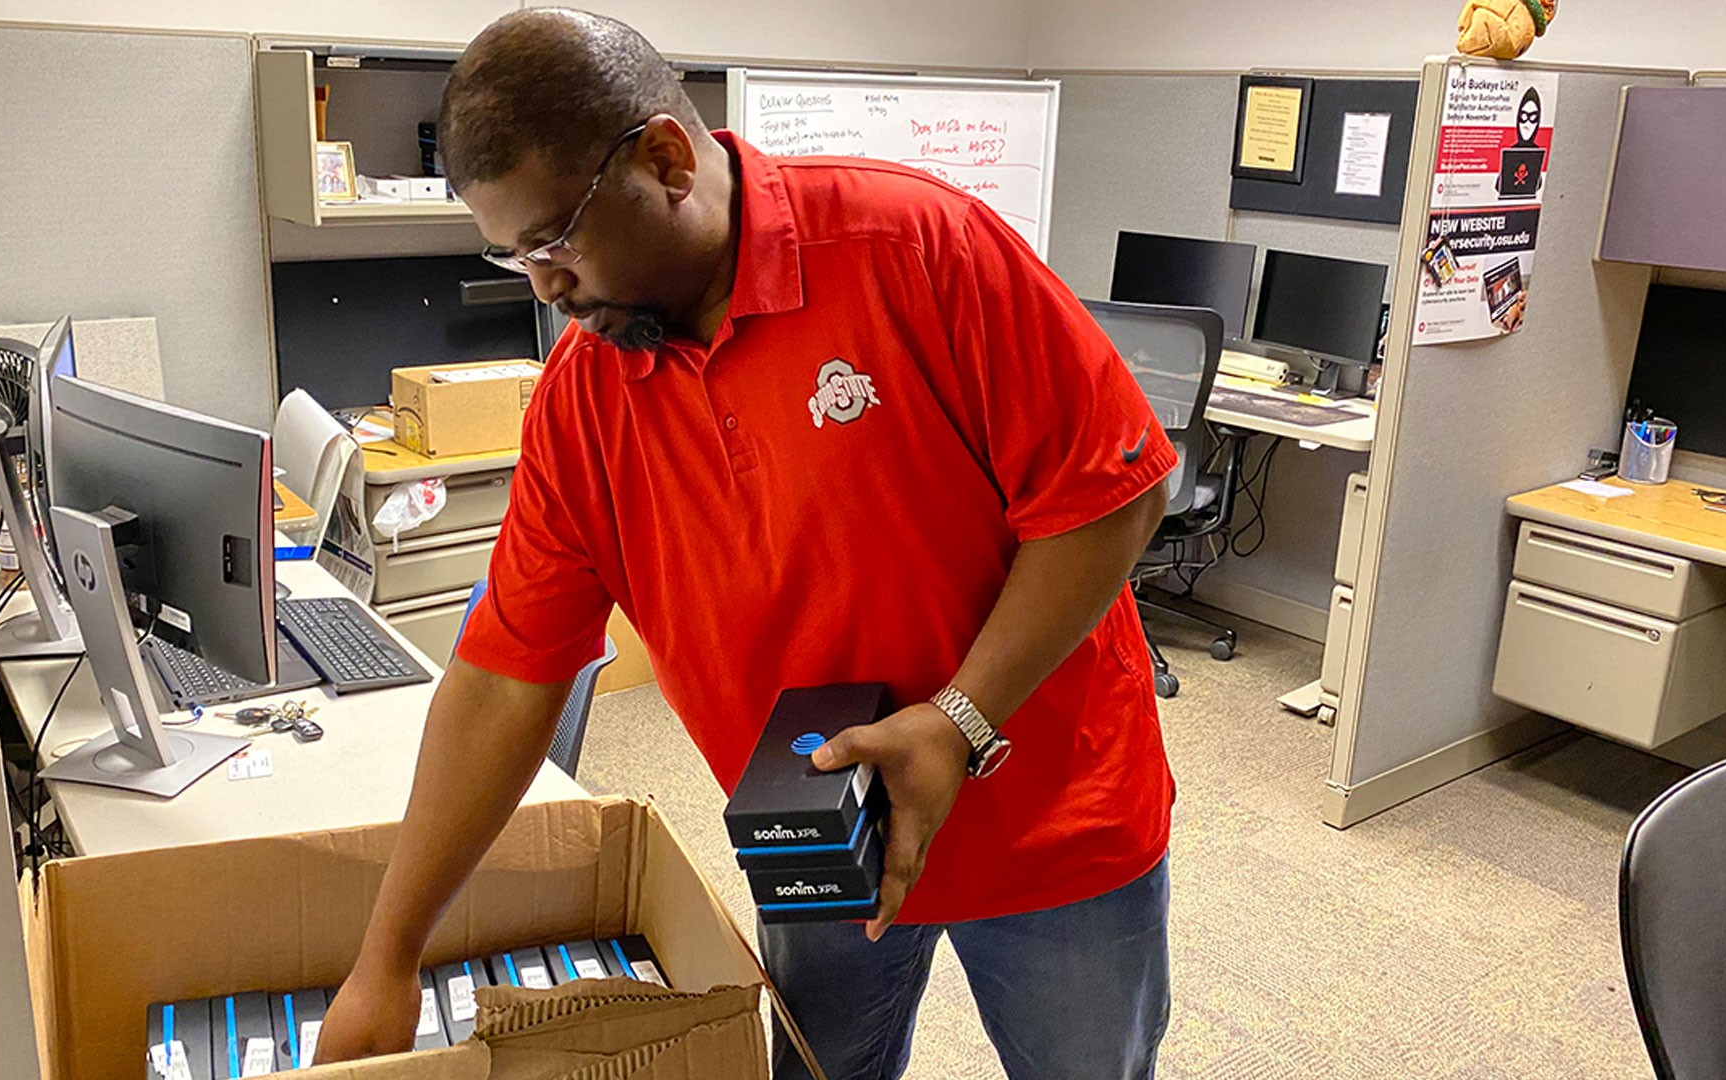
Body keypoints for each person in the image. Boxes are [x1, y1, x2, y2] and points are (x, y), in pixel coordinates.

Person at [315, 9, 1177, 1078]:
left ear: (667, 160)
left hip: (1054, 819)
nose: (541, 285)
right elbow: (502, 679)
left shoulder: (914, 245)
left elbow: (1114, 494)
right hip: (817, 831)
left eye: (554, 241)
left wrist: (957, 721)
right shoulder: (586, 401)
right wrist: (385, 959)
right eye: (511, 252)